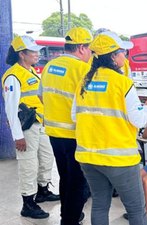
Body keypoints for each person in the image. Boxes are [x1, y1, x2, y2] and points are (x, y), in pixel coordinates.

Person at [72, 30, 147, 225]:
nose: (126, 56)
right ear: (113, 56)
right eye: (123, 52)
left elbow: (75, 116)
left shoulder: (84, 82)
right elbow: (138, 120)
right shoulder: (122, 83)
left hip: (88, 158)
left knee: (99, 205)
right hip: (120, 160)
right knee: (137, 210)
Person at [1, 36, 59, 219]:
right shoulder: (13, 76)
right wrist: (17, 136)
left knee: (46, 157)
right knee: (28, 164)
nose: (37, 54)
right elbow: (10, 109)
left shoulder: (31, 71)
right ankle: (28, 203)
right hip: (26, 127)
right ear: (21, 54)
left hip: (41, 124)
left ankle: (43, 190)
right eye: (33, 51)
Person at [40, 27, 93, 225]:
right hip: (74, 134)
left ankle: (68, 215)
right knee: (79, 181)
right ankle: (69, 220)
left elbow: (40, 96)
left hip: (54, 132)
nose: (91, 55)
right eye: (90, 50)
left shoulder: (49, 66)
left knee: (65, 177)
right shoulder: (83, 69)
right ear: (81, 47)